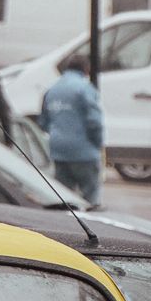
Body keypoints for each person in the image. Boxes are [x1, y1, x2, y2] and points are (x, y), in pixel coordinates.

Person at [40, 55, 105, 209]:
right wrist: (98, 143)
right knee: (90, 199)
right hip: (84, 151)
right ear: (86, 70)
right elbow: (94, 121)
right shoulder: (85, 89)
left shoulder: (51, 90)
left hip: (58, 151)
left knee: (64, 199)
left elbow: (43, 123)